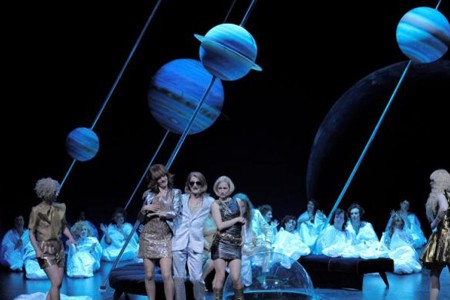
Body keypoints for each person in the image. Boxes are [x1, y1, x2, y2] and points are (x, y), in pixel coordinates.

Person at [28, 177, 77, 300]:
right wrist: (37, 250)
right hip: (44, 250)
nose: (58, 193)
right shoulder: (36, 211)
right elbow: (31, 232)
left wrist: (71, 237)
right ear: (48, 193)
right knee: (55, 283)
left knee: (58, 284)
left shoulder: (60, 208)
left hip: (59, 249)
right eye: (55, 191)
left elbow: (64, 226)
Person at [138, 164, 182, 300]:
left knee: (166, 274)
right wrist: (145, 208)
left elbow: (175, 212)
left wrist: (160, 212)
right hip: (148, 235)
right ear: (154, 180)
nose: (162, 179)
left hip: (165, 236)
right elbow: (140, 218)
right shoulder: (149, 194)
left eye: (163, 175)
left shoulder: (176, 193)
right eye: (158, 177)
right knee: (149, 274)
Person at [172, 171, 214, 300]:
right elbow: (169, 212)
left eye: (198, 182)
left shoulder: (209, 201)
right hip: (179, 240)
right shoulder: (181, 198)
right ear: (188, 185)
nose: (195, 185)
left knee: (196, 278)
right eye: (192, 183)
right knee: (178, 277)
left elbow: (220, 215)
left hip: (196, 242)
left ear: (203, 184)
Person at [210, 176, 249, 300]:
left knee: (236, 277)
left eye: (225, 188)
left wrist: (243, 235)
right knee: (220, 276)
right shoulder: (215, 204)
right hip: (221, 243)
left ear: (229, 189)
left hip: (235, 243)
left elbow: (242, 220)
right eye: (219, 188)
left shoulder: (237, 201)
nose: (222, 191)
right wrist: (236, 219)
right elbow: (220, 225)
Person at [420, 169, 450, 300]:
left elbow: (444, 208)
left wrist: (434, 223)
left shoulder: (441, 195)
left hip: (444, 238)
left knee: (435, 273)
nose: (431, 183)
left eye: (433, 181)